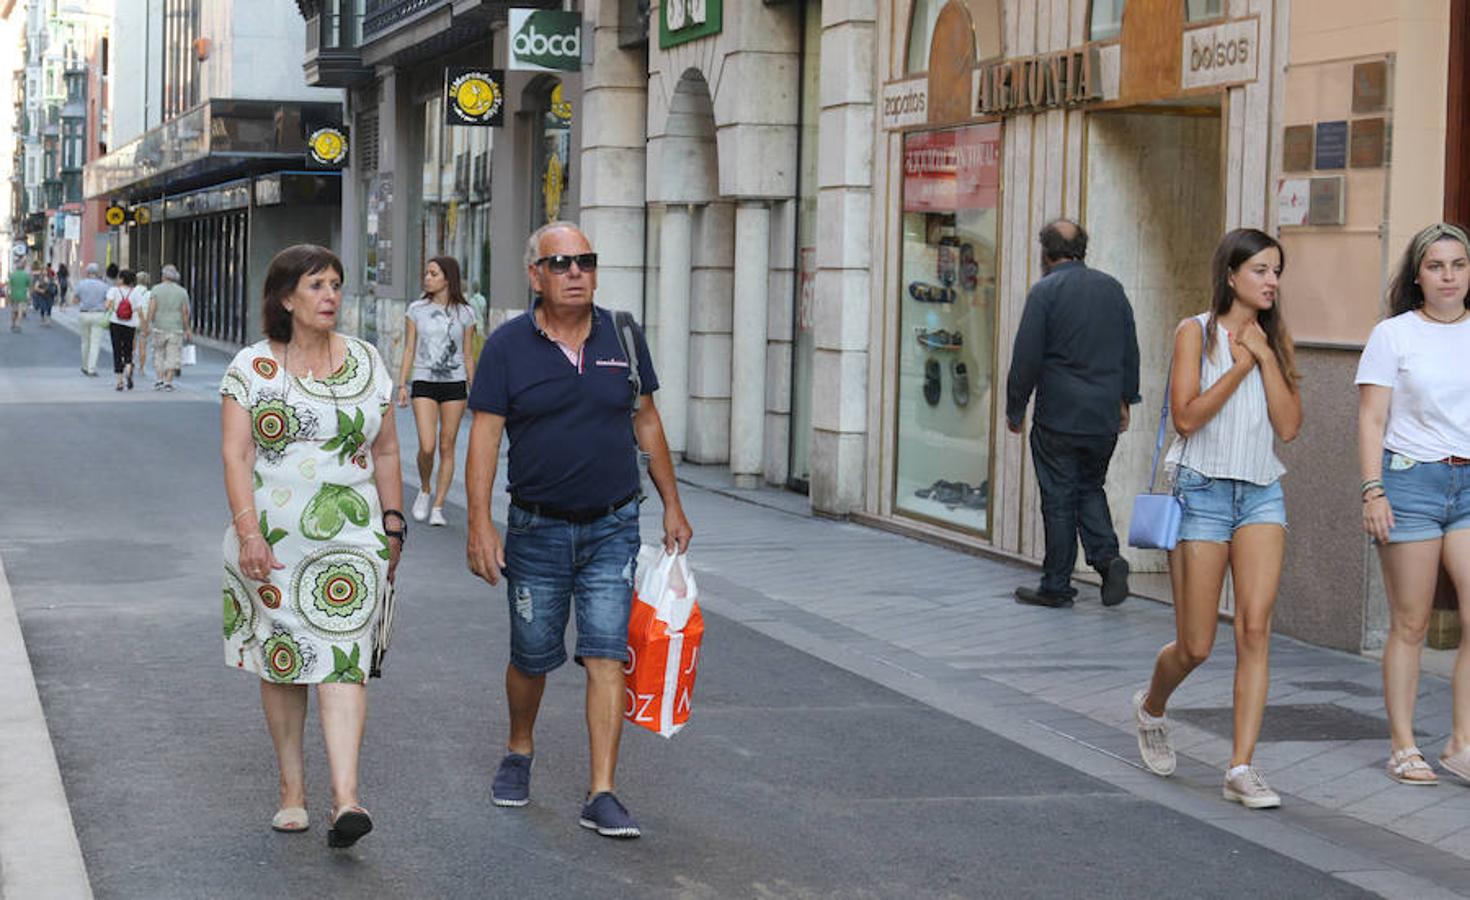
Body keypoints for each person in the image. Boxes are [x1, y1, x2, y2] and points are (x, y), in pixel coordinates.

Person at [465, 221, 692, 839]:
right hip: (535, 530)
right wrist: (479, 522)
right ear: (535, 275)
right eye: (561, 263)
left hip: (613, 525)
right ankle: (519, 748)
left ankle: (603, 792)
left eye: (585, 261)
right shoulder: (508, 346)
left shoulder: (622, 333)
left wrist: (672, 504)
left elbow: (646, 421)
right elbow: (485, 435)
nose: (575, 273)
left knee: (606, 655)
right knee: (531, 656)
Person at [219, 244, 403, 848]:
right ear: (285, 298)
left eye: (336, 285)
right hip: (272, 543)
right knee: (286, 662)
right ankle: (292, 791)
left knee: (345, 661)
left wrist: (394, 524)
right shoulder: (251, 368)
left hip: (353, 541)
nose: (330, 296)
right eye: (317, 285)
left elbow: (385, 452)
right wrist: (248, 534)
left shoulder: (369, 362)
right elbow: (238, 454)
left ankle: (346, 799)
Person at [1132, 228, 1303, 810]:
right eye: (1260, 270)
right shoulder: (1194, 332)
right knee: (1196, 645)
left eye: (1276, 271)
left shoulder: (1276, 340)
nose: (1271, 281)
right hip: (1201, 492)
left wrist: (1263, 357)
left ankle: (1241, 767)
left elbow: (1288, 427)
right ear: (1231, 275)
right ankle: (1152, 707)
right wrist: (1236, 367)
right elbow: (1185, 419)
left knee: (1255, 629)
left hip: (1261, 495)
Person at [1357, 222, 1470, 787]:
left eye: (1458, 265)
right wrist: (1372, 489)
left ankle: (1461, 742)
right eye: (1436, 266)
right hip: (1411, 485)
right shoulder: (1394, 335)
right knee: (1411, 621)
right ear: (1418, 274)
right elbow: (1372, 418)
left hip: (1469, 485)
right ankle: (1403, 745)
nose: (1448, 276)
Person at [1005, 219, 1140, 608]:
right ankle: (1108, 560)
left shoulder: (1045, 292)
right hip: (1102, 418)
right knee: (1089, 488)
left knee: (1059, 497)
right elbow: (1130, 350)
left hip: (1059, 418)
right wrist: (1125, 399)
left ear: (1045, 253)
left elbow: (1026, 357)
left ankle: (1056, 584)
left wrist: (1016, 408)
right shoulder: (1112, 289)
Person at [396, 256, 478, 527]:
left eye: (433, 273)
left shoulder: (466, 313)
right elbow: (409, 348)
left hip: (454, 383)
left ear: (447, 278)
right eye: (427, 273)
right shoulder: (416, 309)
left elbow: (467, 354)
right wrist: (402, 385)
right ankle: (425, 487)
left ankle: (439, 506)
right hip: (423, 381)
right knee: (428, 445)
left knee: (447, 445)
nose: (427, 278)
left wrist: (474, 388)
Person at [147, 265, 192, 390]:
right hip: (176, 327)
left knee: (158, 353)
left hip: (159, 326)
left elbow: (152, 308)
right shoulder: (182, 292)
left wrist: (148, 324)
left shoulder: (156, 289)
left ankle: (159, 379)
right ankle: (168, 381)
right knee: (173, 354)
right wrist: (187, 328)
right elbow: (185, 312)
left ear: (163, 276)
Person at [105, 269, 143, 391]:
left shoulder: (114, 290)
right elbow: (139, 310)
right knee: (128, 350)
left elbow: (108, 305)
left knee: (117, 351)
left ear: (121, 279)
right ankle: (128, 370)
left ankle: (119, 381)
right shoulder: (136, 292)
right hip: (130, 324)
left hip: (115, 323)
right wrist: (145, 324)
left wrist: (114, 308)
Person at [73, 263, 110, 376]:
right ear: (97, 273)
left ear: (87, 272)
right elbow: (107, 302)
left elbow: (75, 300)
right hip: (98, 314)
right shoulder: (104, 285)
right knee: (95, 342)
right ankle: (91, 368)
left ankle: (84, 366)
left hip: (84, 314)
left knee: (85, 342)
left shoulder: (81, 284)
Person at [133, 271, 154, 380]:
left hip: (132, 322)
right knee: (143, 346)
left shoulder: (132, 292)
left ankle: (130, 363)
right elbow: (150, 309)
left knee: (131, 345)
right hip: (144, 322)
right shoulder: (149, 293)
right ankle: (141, 368)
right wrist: (147, 322)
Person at [8, 265, 31, 332]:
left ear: (16, 268)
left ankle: (12, 323)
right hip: (22, 295)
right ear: (23, 268)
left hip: (13, 295)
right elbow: (28, 286)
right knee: (20, 310)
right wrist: (29, 297)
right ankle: (18, 324)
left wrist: (8, 296)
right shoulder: (26, 275)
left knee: (14, 310)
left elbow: (9, 286)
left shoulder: (12, 275)